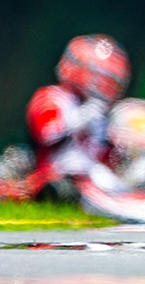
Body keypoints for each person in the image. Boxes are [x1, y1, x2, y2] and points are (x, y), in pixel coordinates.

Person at [24, 34, 132, 194]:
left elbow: (104, 155)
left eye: (112, 80)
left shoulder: (105, 111)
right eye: (101, 76)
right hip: (56, 176)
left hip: (94, 180)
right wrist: (78, 121)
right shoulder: (53, 97)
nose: (106, 84)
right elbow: (47, 134)